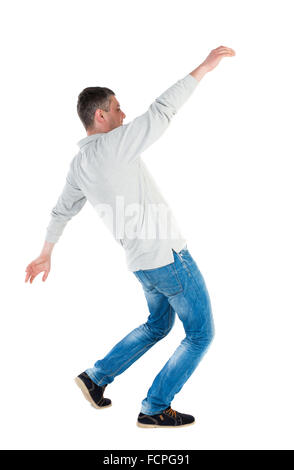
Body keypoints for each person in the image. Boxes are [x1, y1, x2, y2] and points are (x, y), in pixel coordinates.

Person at [25, 46, 236, 428]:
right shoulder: (115, 145)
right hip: (169, 258)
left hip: (141, 264)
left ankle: (96, 377)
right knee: (202, 333)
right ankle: (155, 406)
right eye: (118, 108)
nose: (125, 114)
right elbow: (161, 111)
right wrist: (203, 68)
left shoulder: (80, 163)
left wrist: (46, 252)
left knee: (158, 325)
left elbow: (61, 211)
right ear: (101, 115)